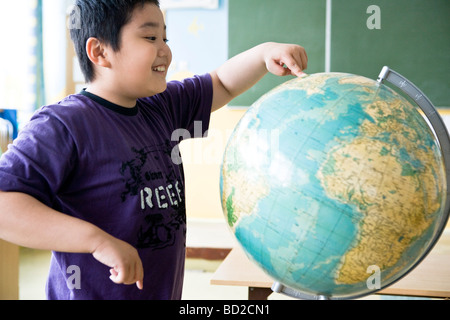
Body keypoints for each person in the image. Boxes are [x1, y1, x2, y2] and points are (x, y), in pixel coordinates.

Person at [0, 0, 307, 300]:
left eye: (165, 37)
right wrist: (98, 242)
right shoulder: (63, 124)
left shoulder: (161, 107)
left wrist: (264, 53)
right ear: (100, 51)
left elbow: (222, 84)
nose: (166, 50)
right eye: (150, 37)